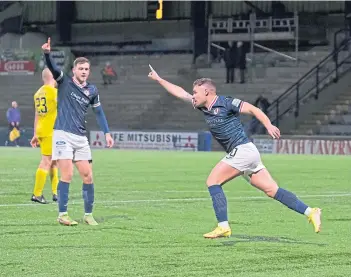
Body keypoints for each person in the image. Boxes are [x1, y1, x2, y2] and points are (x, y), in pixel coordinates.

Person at [148, 66, 322, 238]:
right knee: (272, 190)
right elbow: (180, 93)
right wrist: (159, 79)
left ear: (207, 92)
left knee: (212, 181)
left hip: (243, 150)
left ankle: (223, 226)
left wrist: (268, 125)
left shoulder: (226, 102)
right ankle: (310, 211)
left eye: (195, 92)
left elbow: (254, 109)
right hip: (246, 153)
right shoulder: (202, 106)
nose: (193, 95)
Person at [42, 38, 114, 226]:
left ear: (89, 71)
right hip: (63, 134)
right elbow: (52, 67)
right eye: (80, 69)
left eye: (86, 69)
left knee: (88, 175)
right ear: (74, 70)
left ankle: (88, 214)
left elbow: (99, 112)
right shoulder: (64, 80)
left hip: (80, 137)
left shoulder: (92, 90)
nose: (83, 72)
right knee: (67, 175)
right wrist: (47, 54)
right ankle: (62, 214)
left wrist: (106, 133)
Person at [30, 68, 59, 204]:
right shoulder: (53, 92)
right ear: (53, 77)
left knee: (54, 161)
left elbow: (36, 115)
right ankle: (37, 194)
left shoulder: (38, 93)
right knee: (46, 161)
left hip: (42, 130)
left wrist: (35, 133)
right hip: (50, 130)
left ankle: (55, 192)